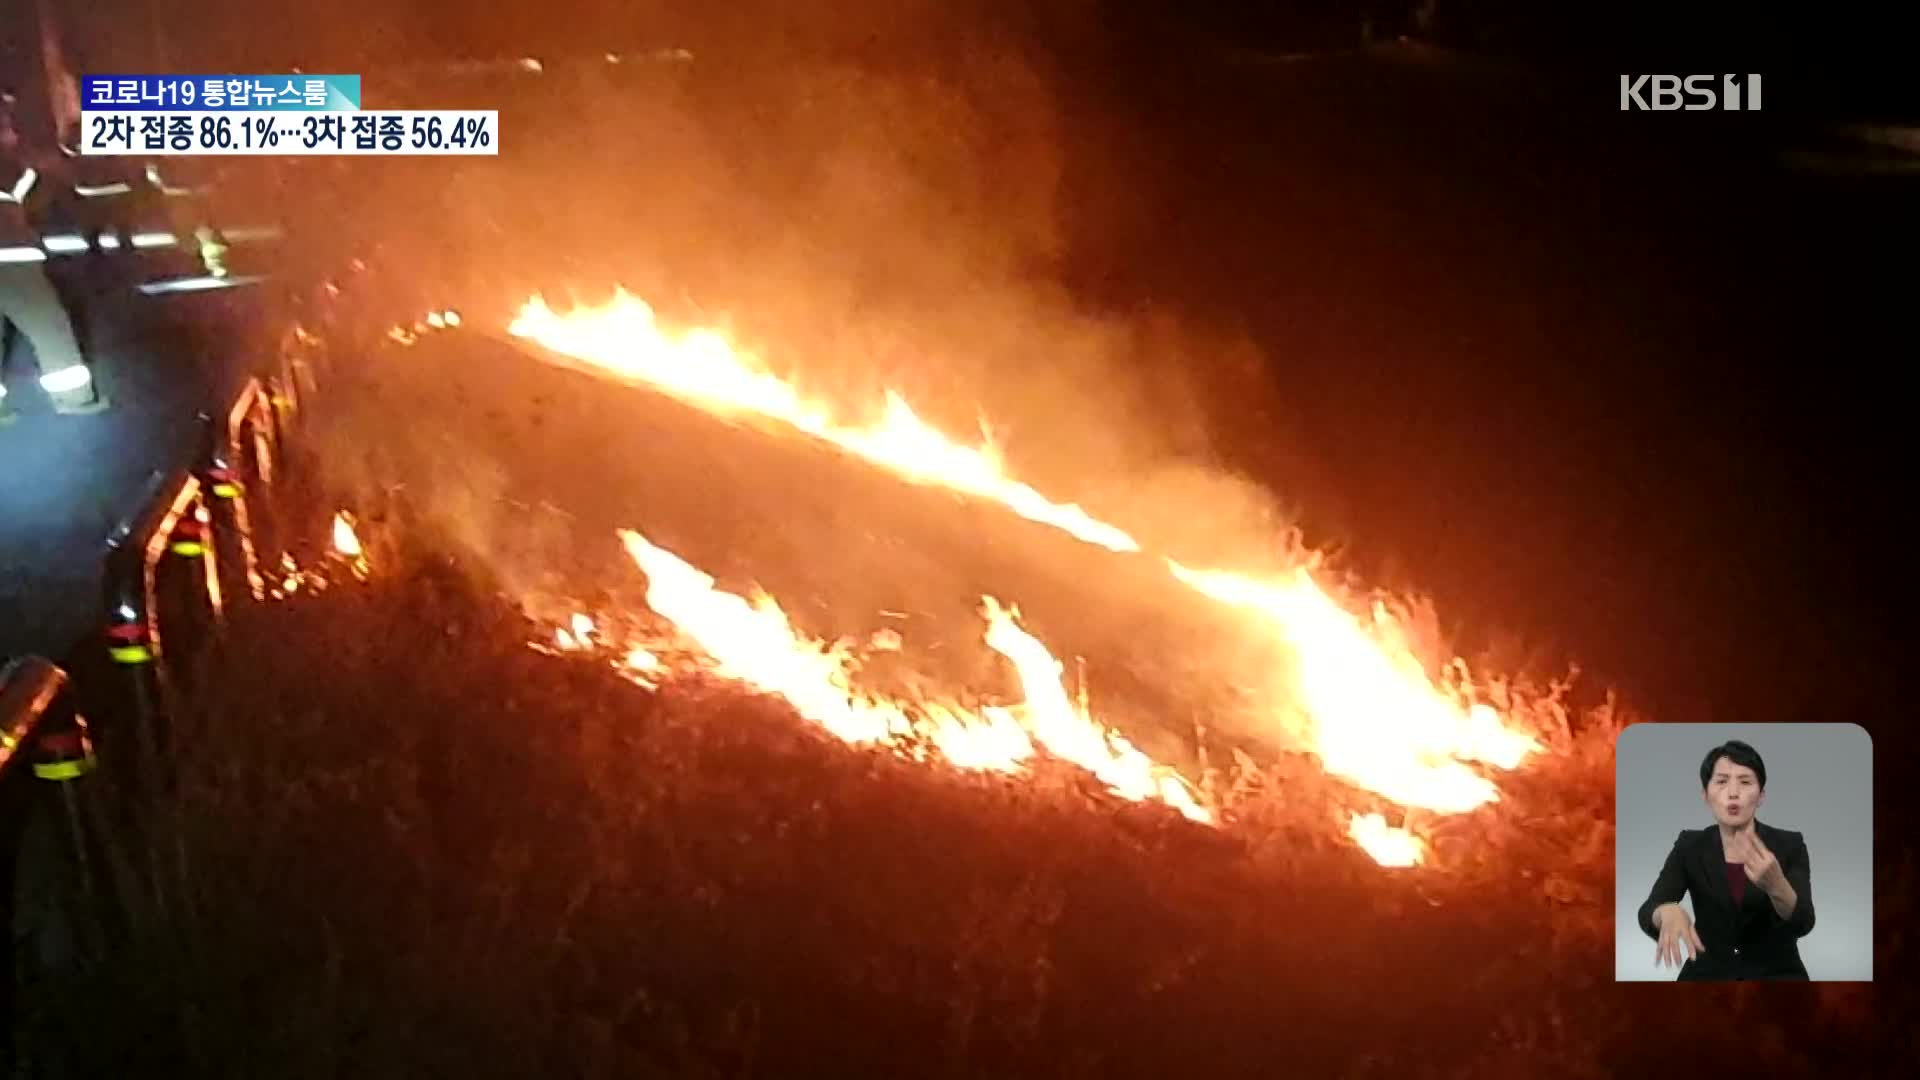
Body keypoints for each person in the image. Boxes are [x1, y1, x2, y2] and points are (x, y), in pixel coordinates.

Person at [1636, 739, 1817, 980]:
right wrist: (1666, 911)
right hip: (1706, 975)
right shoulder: (1689, 846)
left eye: (1745, 782)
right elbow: (1649, 909)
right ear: (1705, 794)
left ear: (1761, 795)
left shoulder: (1790, 845)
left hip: (1776, 975)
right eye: (1721, 782)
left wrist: (1777, 886)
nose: (1733, 793)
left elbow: (1803, 923)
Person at [0, 89, 99, 419]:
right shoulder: (8, 163)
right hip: (10, 256)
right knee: (49, 324)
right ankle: (75, 399)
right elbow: (33, 190)